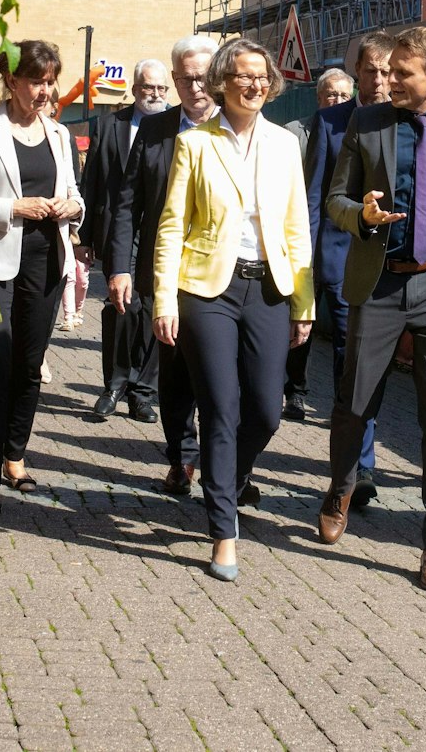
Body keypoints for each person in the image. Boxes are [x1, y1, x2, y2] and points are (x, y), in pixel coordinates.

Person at [314, 25, 426, 593]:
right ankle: (341, 487)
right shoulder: (367, 124)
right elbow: (335, 199)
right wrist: (361, 216)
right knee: (354, 402)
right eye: (387, 70)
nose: (388, 80)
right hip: (380, 283)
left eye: (401, 73)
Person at [153, 39, 315, 581]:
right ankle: (224, 531)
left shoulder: (284, 144)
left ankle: (226, 477)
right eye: (244, 75)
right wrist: (164, 299)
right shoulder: (194, 143)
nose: (254, 84)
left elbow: (296, 226)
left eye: (262, 76)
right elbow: (171, 226)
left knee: (266, 411)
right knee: (221, 408)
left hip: (269, 289)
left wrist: (304, 302)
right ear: (223, 81)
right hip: (207, 292)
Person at [0, 40, 84, 521]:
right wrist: (13, 207)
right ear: (11, 80)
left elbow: (76, 195)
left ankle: (15, 455)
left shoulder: (59, 133)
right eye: (35, 81)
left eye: (50, 82)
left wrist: (72, 206)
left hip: (46, 262)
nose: (45, 91)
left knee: (29, 366)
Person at [107, 36, 220, 496]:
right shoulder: (155, 131)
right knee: (174, 374)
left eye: (203, 77)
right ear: (175, 80)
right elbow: (126, 204)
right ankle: (182, 457)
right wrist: (120, 267)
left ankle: (225, 463)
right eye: (187, 79)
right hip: (164, 273)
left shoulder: (237, 127)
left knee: (220, 374)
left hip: (222, 274)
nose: (196, 87)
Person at [303, 33, 396, 503]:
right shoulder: (330, 123)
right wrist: (308, 268)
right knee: (349, 364)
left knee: (370, 367)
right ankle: (358, 468)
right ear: (357, 72)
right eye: (371, 70)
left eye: (387, 71)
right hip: (342, 265)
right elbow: (313, 199)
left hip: (392, 270)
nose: (378, 80)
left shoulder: (404, 121)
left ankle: (358, 461)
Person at [80, 59, 170, 419]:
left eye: (161, 88)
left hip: (159, 231)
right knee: (121, 305)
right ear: (134, 89)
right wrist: (84, 237)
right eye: (149, 87)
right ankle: (114, 385)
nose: (155, 94)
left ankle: (143, 393)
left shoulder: (175, 127)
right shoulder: (109, 125)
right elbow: (92, 182)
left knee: (152, 308)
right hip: (119, 228)